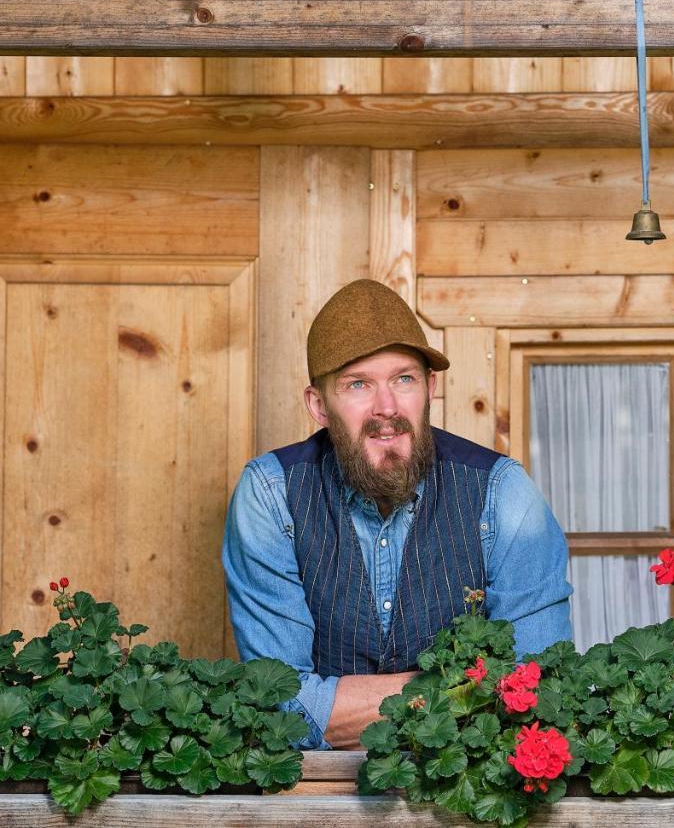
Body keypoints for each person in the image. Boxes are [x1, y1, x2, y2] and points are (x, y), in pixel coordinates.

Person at [222, 278, 572, 749]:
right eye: (358, 384)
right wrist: (466, 693)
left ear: (430, 388)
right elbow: (285, 706)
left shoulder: (503, 493)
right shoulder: (271, 494)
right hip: (314, 801)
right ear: (319, 405)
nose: (386, 407)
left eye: (403, 379)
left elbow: (536, 690)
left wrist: (342, 704)